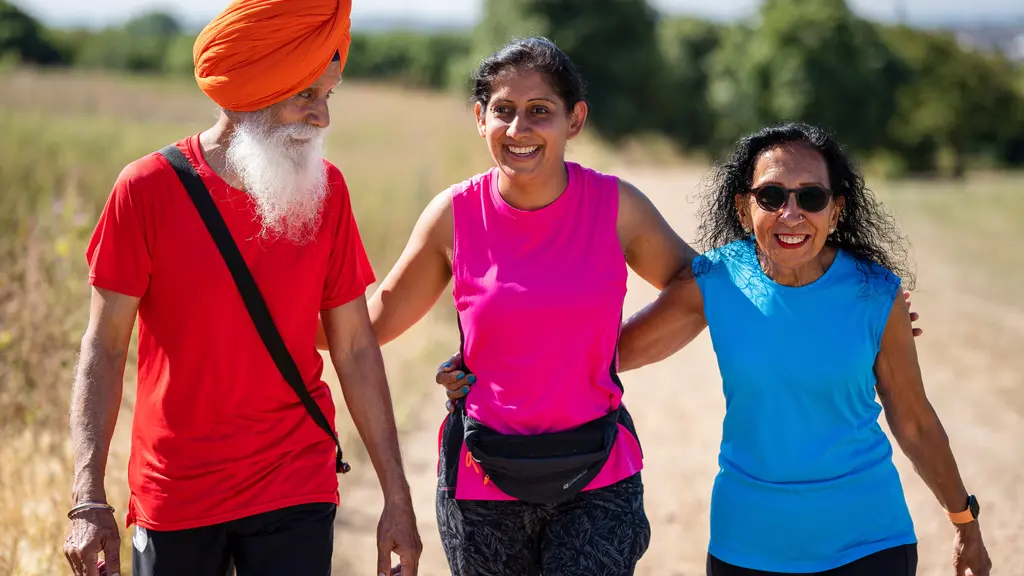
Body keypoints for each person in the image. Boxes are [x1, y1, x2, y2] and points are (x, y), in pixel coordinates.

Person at [439, 123, 989, 576]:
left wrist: (964, 520)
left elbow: (914, 422)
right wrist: (483, 363)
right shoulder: (719, 281)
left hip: (870, 544)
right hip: (747, 547)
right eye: (771, 196)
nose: (791, 213)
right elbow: (601, 354)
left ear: (837, 209)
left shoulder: (877, 293)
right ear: (745, 207)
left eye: (811, 197)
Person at [61, 1, 421, 575]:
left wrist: (397, 500)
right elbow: (103, 347)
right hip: (175, 490)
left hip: (295, 480)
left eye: (329, 95)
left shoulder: (327, 190)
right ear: (251, 92)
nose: (323, 117)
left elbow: (354, 347)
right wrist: (88, 496)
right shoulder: (146, 189)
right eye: (307, 95)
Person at [320, 35, 698, 575]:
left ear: (575, 119)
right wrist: (263, 319)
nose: (519, 130)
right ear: (480, 118)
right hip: (480, 482)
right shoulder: (454, 215)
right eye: (504, 111)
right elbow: (370, 322)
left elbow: (694, 284)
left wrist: (609, 354)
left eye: (539, 111)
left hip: (598, 475)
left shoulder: (617, 208)